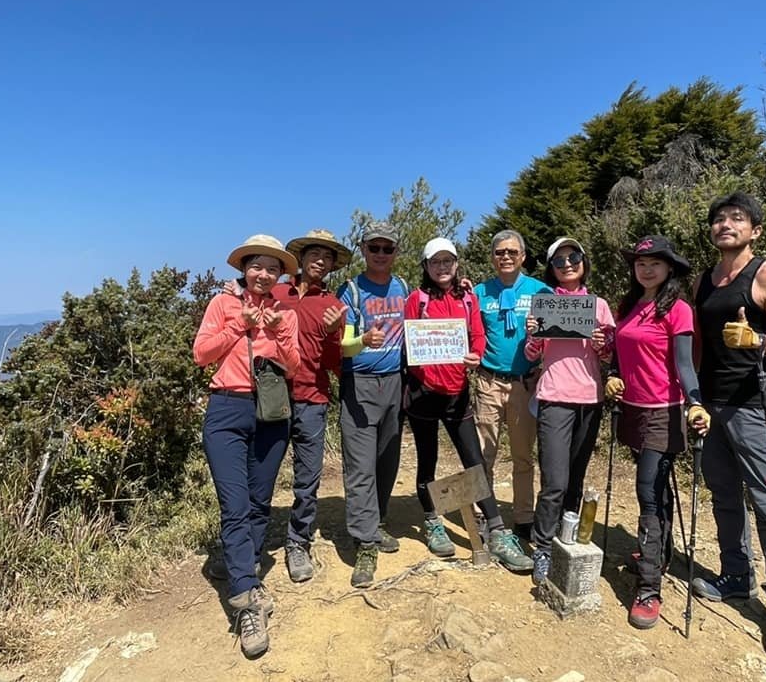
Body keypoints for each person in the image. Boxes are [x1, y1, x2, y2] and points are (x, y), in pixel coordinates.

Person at [690, 192, 766, 661]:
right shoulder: (706, 279)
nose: (725, 225)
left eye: (736, 219)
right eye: (719, 219)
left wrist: (757, 339)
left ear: (754, 230)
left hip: (755, 407)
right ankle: (735, 575)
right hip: (713, 406)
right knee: (722, 494)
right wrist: (692, 396)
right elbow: (698, 345)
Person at [221, 229, 351, 584]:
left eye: (328, 257)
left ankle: (298, 543)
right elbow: (246, 300)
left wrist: (334, 333)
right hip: (267, 398)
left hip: (312, 398)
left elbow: (333, 362)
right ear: (302, 258)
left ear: (332, 266)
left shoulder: (334, 306)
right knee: (257, 480)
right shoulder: (276, 291)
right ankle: (244, 551)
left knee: (307, 481)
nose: (320, 261)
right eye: (314, 254)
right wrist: (233, 292)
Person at [193, 234, 301, 658]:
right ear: (244, 269)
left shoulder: (283, 313)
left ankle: (244, 567)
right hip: (226, 410)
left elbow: (293, 366)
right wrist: (241, 322)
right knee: (234, 504)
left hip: (272, 412)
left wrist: (278, 331)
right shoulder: (223, 305)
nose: (264, 274)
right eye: (257, 266)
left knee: (258, 502)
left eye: (272, 268)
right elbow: (202, 353)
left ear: (279, 275)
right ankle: (245, 600)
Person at [405, 237, 533, 572]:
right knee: (426, 460)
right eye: (436, 262)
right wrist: (425, 366)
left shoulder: (467, 298)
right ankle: (432, 519)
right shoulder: (416, 300)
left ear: (457, 263)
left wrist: (475, 355)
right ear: (426, 266)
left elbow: (477, 335)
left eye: (448, 261)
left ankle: (497, 530)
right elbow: (410, 344)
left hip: (457, 393)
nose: (442, 267)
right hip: (422, 393)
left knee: (474, 461)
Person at [604, 235, 711, 629]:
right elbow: (619, 354)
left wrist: (695, 402)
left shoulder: (678, 309)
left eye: (655, 262)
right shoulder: (628, 306)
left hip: (665, 413)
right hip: (632, 410)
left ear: (669, 269)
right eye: (640, 262)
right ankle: (660, 551)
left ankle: (649, 587)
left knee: (647, 490)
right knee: (659, 486)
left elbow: (685, 365)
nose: (646, 268)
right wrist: (612, 377)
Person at [524, 237, 614, 584]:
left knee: (575, 478)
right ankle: (543, 547)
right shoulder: (544, 303)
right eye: (559, 261)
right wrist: (533, 335)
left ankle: (567, 535)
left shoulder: (599, 306)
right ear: (552, 269)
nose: (567, 264)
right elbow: (533, 354)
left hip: (590, 400)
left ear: (583, 261)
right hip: (555, 397)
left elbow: (607, 357)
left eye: (573, 257)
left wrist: (602, 344)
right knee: (555, 481)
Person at [336, 221, 408, 588]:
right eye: (374, 248)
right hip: (360, 384)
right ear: (363, 249)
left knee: (386, 459)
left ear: (396, 252)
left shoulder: (403, 287)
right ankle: (364, 542)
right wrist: (363, 339)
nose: (381, 254)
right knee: (360, 466)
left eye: (388, 248)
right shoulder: (350, 290)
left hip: (394, 383)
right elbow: (343, 346)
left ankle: (376, 523)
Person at [472, 230, 550, 540]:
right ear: (492, 257)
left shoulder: (542, 291)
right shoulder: (479, 292)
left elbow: (554, 338)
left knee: (522, 455)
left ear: (523, 256)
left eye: (512, 252)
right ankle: (482, 514)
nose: (506, 257)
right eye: (499, 252)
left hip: (524, 384)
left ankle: (523, 517)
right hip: (488, 381)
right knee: (482, 453)